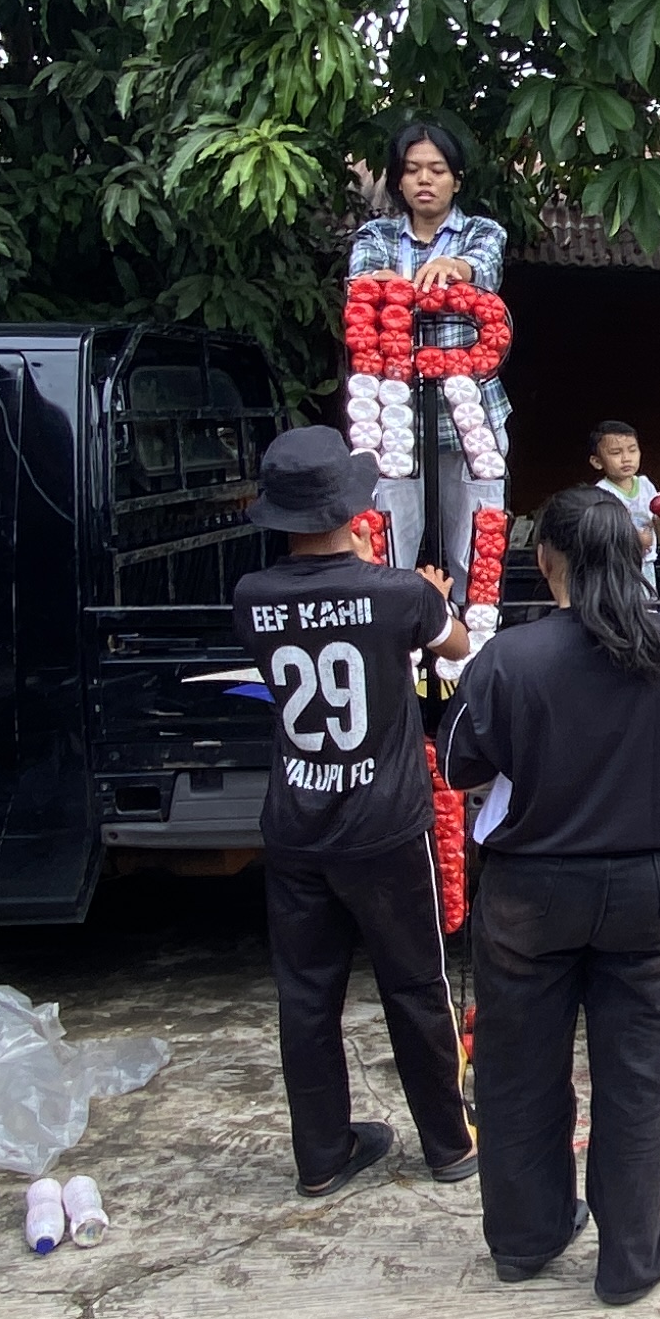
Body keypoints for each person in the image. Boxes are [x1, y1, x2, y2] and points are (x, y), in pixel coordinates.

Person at [438, 482, 660, 1304]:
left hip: (531, 894)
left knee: (518, 1069)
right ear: (642, 553)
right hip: (657, 893)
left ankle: (527, 1240)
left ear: (544, 562)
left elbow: (459, 763)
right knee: (636, 1073)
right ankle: (630, 1256)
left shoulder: (509, 660)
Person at [229, 426, 481, 1199]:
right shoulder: (397, 593)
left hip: (296, 829)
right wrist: (433, 596)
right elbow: (457, 644)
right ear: (353, 506)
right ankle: (446, 1145)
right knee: (412, 987)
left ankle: (322, 1155)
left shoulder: (252, 596)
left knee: (306, 997)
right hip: (384, 827)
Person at [347, 111, 510, 577]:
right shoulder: (375, 235)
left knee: (475, 550)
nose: (425, 180)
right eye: (413, 169)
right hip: (394, 416)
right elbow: (361, 286)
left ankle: (471, 642)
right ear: (398, 180)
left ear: (456, 180)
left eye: (437, 170)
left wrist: (456, 269)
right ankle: (399, 643)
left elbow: (483, 266)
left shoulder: (483, 232)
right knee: (391, 542)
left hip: (471, 411)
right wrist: (379, 286)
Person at [588, 416, 660, 565]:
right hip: (616, 566)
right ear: (597, 462)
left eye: (632, 451)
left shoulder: (645, 485)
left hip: (646, 563)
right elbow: (601, 535)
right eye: (616, 453)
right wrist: (633, 540)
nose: (626, 458)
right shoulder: (601, 492)